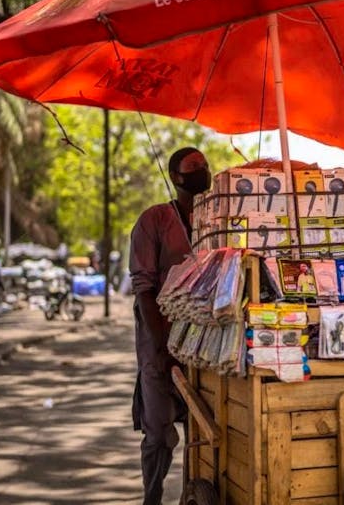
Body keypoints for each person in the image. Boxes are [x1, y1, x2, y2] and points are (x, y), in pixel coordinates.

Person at [129, 147, 210, 504]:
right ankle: (153, 495)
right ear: (177, 178)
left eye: (204, 166)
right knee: (160, 432)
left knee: (203, 427)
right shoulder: (155, 220)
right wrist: (163, 348)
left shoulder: (217, 218)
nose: (202, 171)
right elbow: (144, 289)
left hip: (206, 340)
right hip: (159, 340)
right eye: (194, 167)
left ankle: (191, 494)